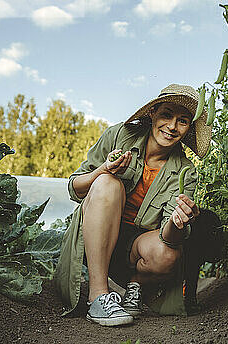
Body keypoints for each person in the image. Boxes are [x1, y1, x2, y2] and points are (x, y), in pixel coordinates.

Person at [54, 84, 211, 326]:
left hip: (135, 251)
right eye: (167, 114)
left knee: (167, 253)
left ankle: (134, 287)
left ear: (188, 128)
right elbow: (74, 188)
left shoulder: (185, 171)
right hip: (96, 240)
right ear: (153, 113)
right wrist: (103, 170)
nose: (171, 126)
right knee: (108, 183)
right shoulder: (119, 135)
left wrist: (178, 221)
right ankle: (98, 295)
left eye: (182, 121)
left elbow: (170, 238)